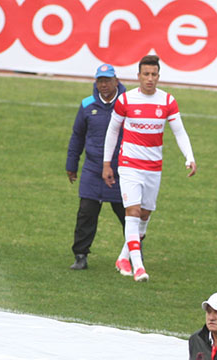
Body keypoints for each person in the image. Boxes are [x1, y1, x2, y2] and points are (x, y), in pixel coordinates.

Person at [103, 55, 196, 282]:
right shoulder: (126, 100)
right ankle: (139, 267)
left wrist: (189, 157)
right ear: (139, 76)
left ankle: (123, 258)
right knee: (132, 213)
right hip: (129, 165)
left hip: (154, 167)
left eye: (154, 75)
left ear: (158, 76)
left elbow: (179, 131)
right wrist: (107, 163)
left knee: (144, 214)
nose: (150, 79)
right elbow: (112, 131)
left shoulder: (167, 101)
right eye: (146, 74)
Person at [66, 64, 127, 271]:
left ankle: (134, 256)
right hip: (92, 170)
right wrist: (71, 164)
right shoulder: (87, 104)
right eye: (100, 81)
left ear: (116, 81)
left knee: (129, 215)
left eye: (108, 80)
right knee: (86, 214)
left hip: (122, 171)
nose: (104, 85)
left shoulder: (128, 103)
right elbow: (77, 135)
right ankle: (80, 255)